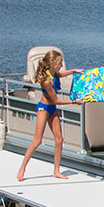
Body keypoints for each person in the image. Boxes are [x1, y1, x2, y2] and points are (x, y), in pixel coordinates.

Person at [16, 49, 80, 181]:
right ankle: (22, 168)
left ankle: (56, 171)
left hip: (52, 109)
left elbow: (60, 74)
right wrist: (74, 102)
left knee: (59, 140)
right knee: (37, 140)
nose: (61, 65)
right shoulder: (46, 81)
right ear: (51, 63)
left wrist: (73, 71)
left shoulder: (54, 72)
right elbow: (56, 100)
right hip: (44, 109)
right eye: (59, 63)